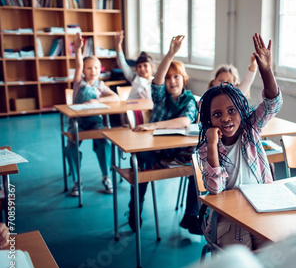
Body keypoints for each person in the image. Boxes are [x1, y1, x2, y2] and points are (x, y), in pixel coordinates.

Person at [196, 33, 282, 249]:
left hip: (261, 207)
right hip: (228, 218)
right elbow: (215, 189)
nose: (225, 118)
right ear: (209, 119)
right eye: (217, 114)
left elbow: (273, 103)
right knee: (244, 260)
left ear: (241, 111)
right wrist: (213, 146)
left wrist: (266, 70)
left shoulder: (251, 128)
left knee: (273, 250)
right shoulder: (208, 147)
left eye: (231, 111)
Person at [126, 35, 200, 233]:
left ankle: (191, 217)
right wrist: (170, 54)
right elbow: (157, 80)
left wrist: (155, 125)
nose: (171, 81)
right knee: (142, 162)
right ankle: (135, 206)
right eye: (168, 78)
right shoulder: (160, 97)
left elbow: (185, 121)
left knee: (198, 166)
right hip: (153, 151)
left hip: (176, 152)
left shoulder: (190, 101)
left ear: (184, 79)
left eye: (176, 77)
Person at [65, 33, 120, 197]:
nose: (93, 71)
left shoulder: (100, 85)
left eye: (96, 68)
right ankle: (77, 181)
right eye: (89, 68)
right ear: (83, 70)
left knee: (104, 142)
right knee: (70, 147)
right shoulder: (78, 83)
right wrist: (78, 50)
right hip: (77, 122)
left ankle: (106, 176)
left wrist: (96, 101)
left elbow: (115, 97)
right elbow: (78, 66)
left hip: (95, 122)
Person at [114, 30, 153, 100]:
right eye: (139, 66)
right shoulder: (134, 78)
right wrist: (118, 46)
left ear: (152, 66)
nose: (142, 69)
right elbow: (122, 63)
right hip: (134, 108)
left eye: (145, 65)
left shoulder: (156, 81)